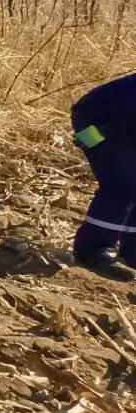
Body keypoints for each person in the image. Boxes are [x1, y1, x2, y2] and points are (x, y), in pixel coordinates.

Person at [68, 71, 136, 282]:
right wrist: (96, 135)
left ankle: (131, 252)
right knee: (122, 185)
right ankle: (93, 249)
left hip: (125, 124)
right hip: (101, 118)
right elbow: (126, 113)